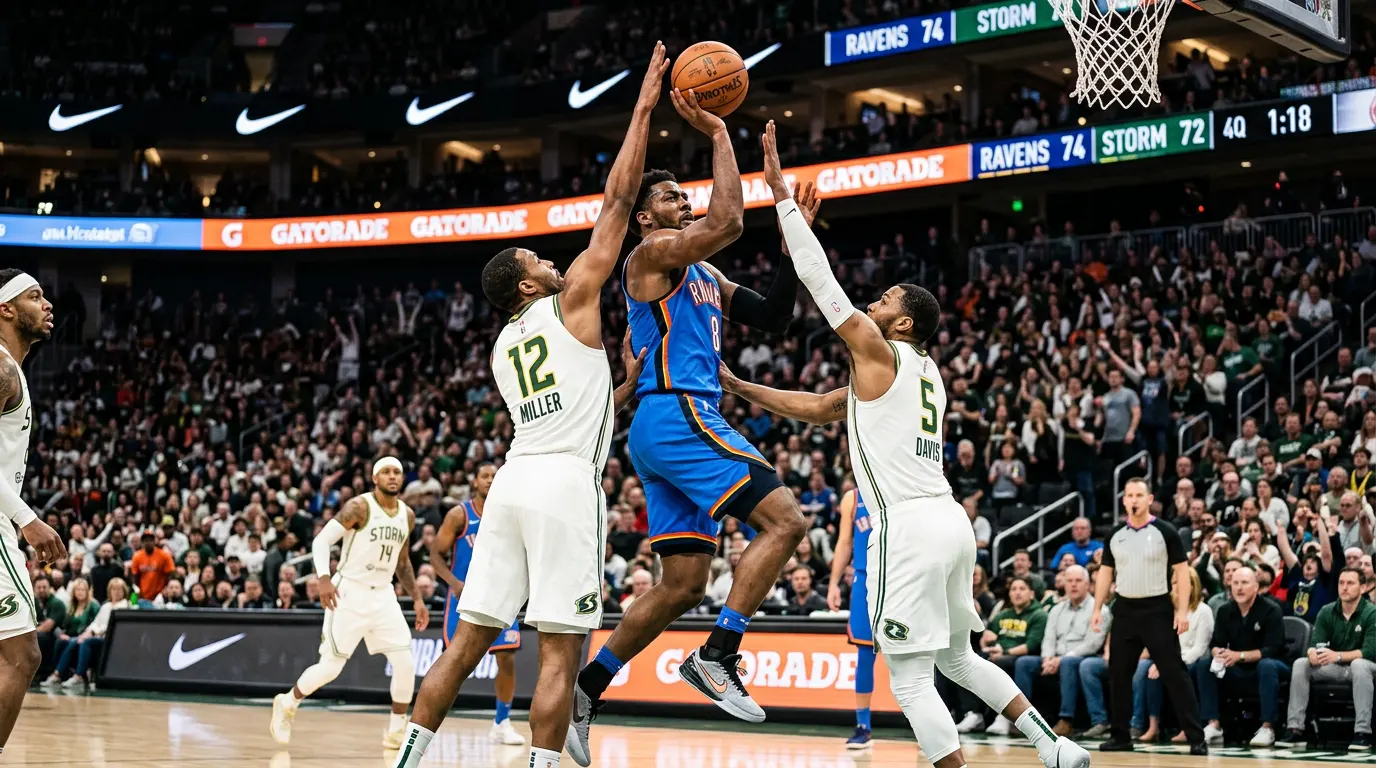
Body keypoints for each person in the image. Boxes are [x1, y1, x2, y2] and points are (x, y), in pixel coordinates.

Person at [717, 168, 1089, 768]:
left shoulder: (877, 351)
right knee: (960, 659)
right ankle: (1054, 747)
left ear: (904, 324)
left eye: (885, 300)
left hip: (908, 529)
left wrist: (783, 202)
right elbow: (820, 408)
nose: (874, 302)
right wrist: (738, 385)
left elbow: (821, 282)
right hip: (950, 521)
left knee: (911, 680)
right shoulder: (923, 374)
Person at [393, 47, 662, 768]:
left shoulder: (503, 345)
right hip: (564, 484)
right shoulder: (572, 298)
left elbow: (566, 400)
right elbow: (616, 203)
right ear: (524, 286)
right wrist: (642, 109)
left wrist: (619, 385)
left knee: (468, 640)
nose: (549, 258)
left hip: (512, 481)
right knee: (560, 651)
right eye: (535, 259)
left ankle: (406, 760)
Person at [570, 113, 815, 735]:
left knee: (681, 585)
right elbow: (729, 220)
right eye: (669, 195)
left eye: (684, 191)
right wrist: (719, 134)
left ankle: (586, 688)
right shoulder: (650, 255)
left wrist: (790, 255)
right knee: (786, 520)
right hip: (679, 411)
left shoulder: (703, 272)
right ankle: (718, 655)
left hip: (667, 424)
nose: (683, 198)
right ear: (645, 217)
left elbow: (776, 316)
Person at [271, 457, 428, 749]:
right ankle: (287, 702)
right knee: (330, 668)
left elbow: (403, 562)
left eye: (397, 472)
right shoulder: (360, 506)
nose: (392, 476)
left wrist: (417, 599)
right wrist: (324, 578)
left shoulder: (406, 514)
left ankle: (395, 732)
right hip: (349, 592)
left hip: (383, 595)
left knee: (405, 663)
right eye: (386, 472)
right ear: (374, 478)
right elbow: (321, 542)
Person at [0, 269, 68, 750]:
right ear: (5, 309)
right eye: (34, 296)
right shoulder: (1, 369)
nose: (47, 304)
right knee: (21, 655)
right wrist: (26, 518)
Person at [1091, 478, 1207, 753]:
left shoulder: (1165, 531)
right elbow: (1106, 572)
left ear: (1149, 498)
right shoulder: (1115, 534)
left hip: (1157, 609)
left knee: (1174, 674)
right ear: (1124, 500)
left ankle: (1195, 737)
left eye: (1139, 495)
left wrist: (1181, 612)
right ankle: (1121, 736)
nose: (1134, 500)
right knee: (1118, 674)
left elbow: (1181, 571)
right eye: (1129, 495)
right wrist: (1097, 609)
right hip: (1125, 610)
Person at [430, 463, 524, 746]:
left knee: (507, 658)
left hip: (501, 596)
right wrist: (454, 583)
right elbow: (435, 554)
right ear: (475, 482)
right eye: (485, 476)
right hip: (466, 598)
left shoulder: (509, 514)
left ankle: (502, 722)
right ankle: (430, 722)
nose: (490, 480)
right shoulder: (460, 514)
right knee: (453, 662)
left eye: (495, 476)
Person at [1279, 567, 1376, 749]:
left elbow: (1370, 651)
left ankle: (1363, 732)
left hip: (1366, 669)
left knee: (1359, 664)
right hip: (1336, 668)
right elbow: (1316, 645)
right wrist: (1312, 654)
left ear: (1362, 588)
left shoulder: (1372, 612)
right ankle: (1295, 729)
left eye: (1350, 583)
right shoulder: (1327, 611)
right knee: (1301, 664)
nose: (1344, 587)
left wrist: (1337, 655)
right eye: (1341, 583)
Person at [1192, 565, 1287, 746]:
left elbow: (1273, 649)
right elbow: (1216, 643)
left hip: (1272, 667)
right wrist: (1217, 652)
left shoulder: (1271, 610)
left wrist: (1239, 656)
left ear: (1256, 587)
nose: (1239, 588)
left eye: (1244, 583)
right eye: (1235, 583)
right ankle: (1213, 725)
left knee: (1267, 665)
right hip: (1237, 668)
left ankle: (1268, 727)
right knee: (1205, 665)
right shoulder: (1225, 611)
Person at [826, 488, 878, 749]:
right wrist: (834, 583)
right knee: (864, 654)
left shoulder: (902, 484)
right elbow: (844, 542)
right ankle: (863, 725)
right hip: (864, 578)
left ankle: (924, 725)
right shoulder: (852, 497)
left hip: (899, 579)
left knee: (910, 655)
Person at [975, 577, 1046, 735]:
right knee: (970, 661)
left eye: (1022, 589)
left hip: (1024, 657)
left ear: (1032, 593)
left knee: (1001, 662)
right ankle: (974, 714)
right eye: (1013, 589)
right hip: (1000, 653)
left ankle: (1007, 716)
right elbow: (988, 634)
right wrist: (986, 641)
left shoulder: (1039, 615)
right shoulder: (1003, 614)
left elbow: (1030, 646)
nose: (1017, 593)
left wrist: (1004, 652)